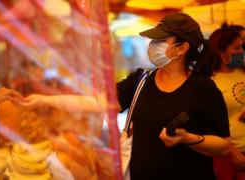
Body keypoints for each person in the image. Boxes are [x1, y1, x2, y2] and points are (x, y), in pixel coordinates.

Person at [20, 13, 231, 179]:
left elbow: (223, 144)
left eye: (160, 41)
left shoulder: (204, 90)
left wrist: (190, 139)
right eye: (152, 40)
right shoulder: (141, 80)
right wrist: (44, 99)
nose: (152, 45)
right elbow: (97, 103)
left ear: (182, 48)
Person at [209, 24, 245, 180]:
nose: (242, 52)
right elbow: (209, 123)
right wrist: (232, 151)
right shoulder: (210, 82)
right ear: (221, 52)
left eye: (242, 47)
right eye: (236, 48)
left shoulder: (242, 72)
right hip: (228, 155)